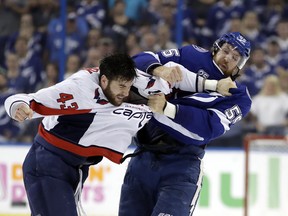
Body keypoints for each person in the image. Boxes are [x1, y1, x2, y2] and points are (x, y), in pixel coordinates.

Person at [4, 53, 233, 216]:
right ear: (103, 80)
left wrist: (214, 85)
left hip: (75, 167)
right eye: (119, 87)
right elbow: (28, 98)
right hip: (47, 163)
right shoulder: (79, 89)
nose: (124, 92)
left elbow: (179, 78)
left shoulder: (142, 83)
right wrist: (17, 107)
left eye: (128, 86)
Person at [118, 32, 252, 216]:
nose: (227, 58)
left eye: (235, 57)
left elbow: (207, 128)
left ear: (239, 67)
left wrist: (168, 109)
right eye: (226, 50)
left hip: (181, 167)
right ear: (216, 48)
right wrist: (159, 69)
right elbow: (138, 60)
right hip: (142, 158)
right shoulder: (191, 55)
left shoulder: (239, 97)